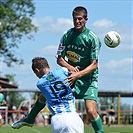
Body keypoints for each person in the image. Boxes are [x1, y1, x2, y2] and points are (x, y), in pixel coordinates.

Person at [56, 6, 104, 133]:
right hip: (70, 76)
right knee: (50, 93)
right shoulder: (66, 36)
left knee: (91, 111)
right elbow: (60, 59)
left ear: (86, 19)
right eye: (75, 19)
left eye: (80, 19)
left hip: (89, 77)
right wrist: (72, 70)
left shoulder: (92, 38)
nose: (77, 22)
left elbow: (94, 64)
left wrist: (78, 74)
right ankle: (30, 118)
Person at [12, 57, 84, 133]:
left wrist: (30, 118)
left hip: (56, 121)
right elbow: (76, 71)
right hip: (72, 117)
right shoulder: (62, 70)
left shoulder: (40, 84)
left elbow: (42, 99)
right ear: (47, 66)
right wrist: (64, 62)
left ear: (37, 70)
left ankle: (29, 120)